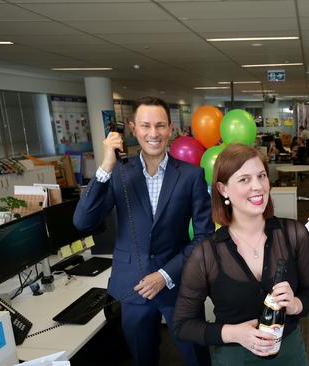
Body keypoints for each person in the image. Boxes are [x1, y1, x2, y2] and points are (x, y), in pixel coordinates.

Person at [73, 96, 213, 366]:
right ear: (132, 128)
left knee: (196, 356)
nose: (153, 133)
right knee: (142, 359)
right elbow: (83, 221)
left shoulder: (191, 175)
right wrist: (105, 167)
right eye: (145, 125)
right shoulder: (118, 173)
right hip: (132, 286)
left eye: (160, 126)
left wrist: (164, 275)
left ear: (170, 129)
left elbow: (205, 237)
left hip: (178, 283)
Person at [173, 144, 309, 365]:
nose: (258, 186)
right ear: (223, 189)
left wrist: (296, 304)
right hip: (234, 356)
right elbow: (182, 325)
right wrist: (234, 333)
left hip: (290, 353)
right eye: (244, 179)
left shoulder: (294, 234)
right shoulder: (206, 254)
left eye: (261, 176)